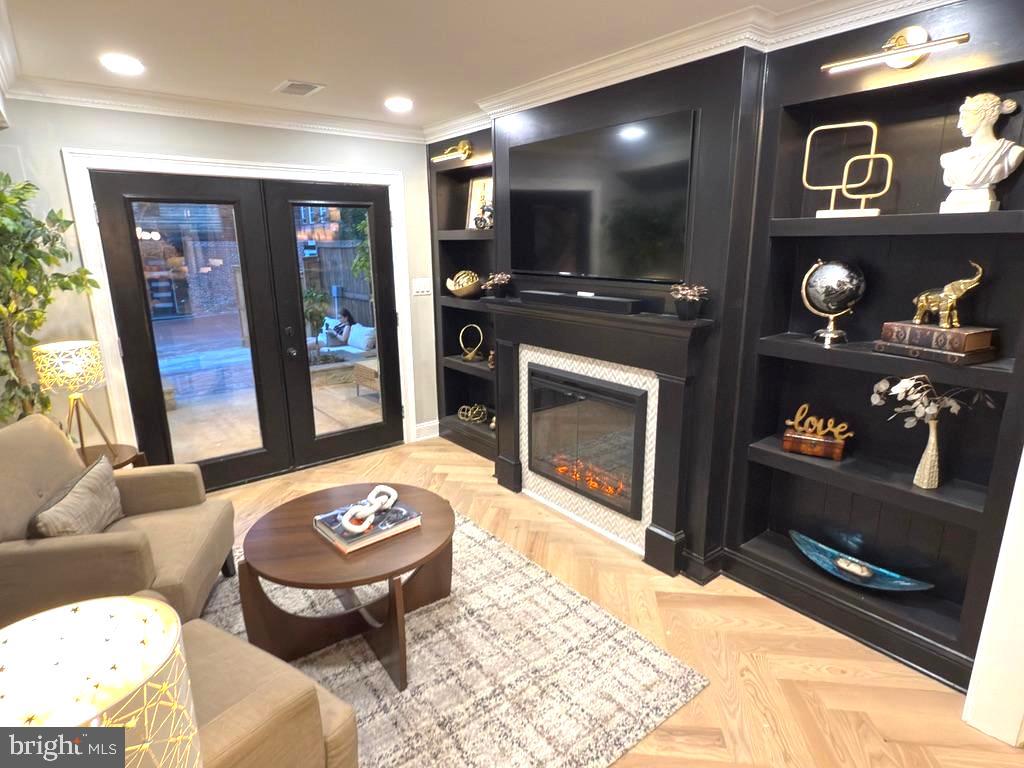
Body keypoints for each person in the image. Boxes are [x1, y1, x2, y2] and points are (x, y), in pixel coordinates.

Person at [940, 93, 1024, 213]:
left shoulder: (1011, 152)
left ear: (983, 115)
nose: (959, 125)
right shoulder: (950, 158)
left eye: (964, 117)